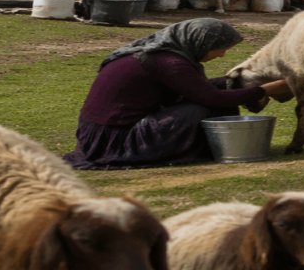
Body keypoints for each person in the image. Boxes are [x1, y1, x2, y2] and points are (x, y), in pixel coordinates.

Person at [63, 18, 292, 170]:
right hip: (117, 137)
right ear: (201, 42)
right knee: (202, 109)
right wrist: (264, 90)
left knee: (207, 102)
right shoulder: (170, 62)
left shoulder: (162, 56)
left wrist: (233, 81)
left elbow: (194, 87)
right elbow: (210, 97)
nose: (222, 55)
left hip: (99, 133)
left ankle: (216, 147)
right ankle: (212, 149)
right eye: (221, 48)